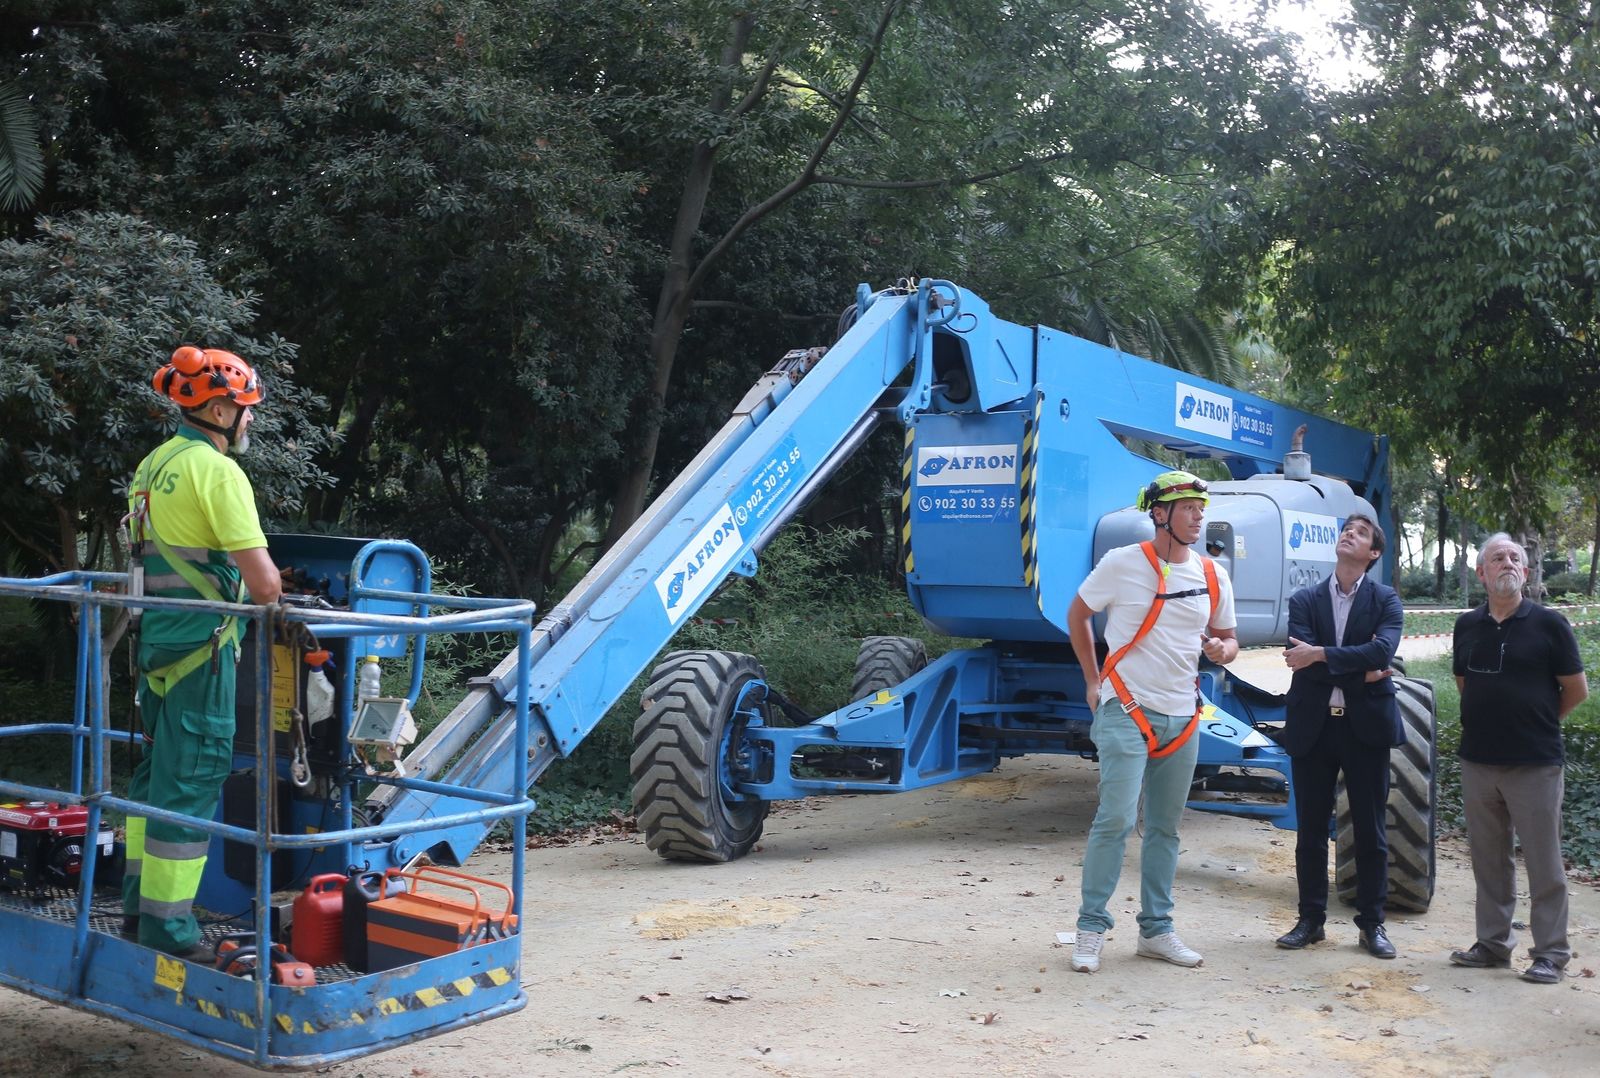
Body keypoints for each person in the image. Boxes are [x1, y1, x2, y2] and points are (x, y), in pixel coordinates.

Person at [122, 345, 282, 960]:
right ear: (218, 408)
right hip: (203, 652)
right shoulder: (217, 473)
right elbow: (265, 586)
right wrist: (274, 593)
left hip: (157, 648)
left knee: (155, 779)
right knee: (190, 785)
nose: (249, 421)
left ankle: (139, 912)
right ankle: (170, 929)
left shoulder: (152, 464)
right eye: (245, 409)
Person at [1066, 469, 1238, 972]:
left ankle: (1157, 931)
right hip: (1126, 707)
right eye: (1188, 508)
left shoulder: (1212, 574)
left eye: (1200, 509)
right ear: (1159, 513)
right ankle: (1090, 928)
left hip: (1184, 716)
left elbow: (1229, 640)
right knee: (1115, 819)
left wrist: (1220, 649)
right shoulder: (1122, 564)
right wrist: (1092, 681)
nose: (1198, 517)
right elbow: (1077, 615)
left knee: (1165, 828)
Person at [1449, 533, 1588, 985]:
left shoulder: (1551, 624)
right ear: (1482, 573)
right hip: (1479, 762)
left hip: (1535, 763)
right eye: (1497, 557)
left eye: (1515, 558)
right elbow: (1464, 684)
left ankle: (1550, 953)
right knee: (1489, 861)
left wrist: (1537, 722)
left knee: (1544, 864)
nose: (1507, 562)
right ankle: (1492, 944)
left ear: (1525, 573)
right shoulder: (1466, 625)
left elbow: (1576, 690)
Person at [1275, 513, 1404, 958]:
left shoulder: (1386, 600)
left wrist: (1321, 656)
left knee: (1370, 831)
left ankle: (1372, 925)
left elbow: (1383, 651)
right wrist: (1360, 671)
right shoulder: (1304, 599)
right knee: (1310, 830)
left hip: (1364, 727)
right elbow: (1299, 659)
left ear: (1373, 553)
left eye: (1362, 532)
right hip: (1313, 725)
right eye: (1347, 529)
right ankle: (1310, 921)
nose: (1350, 533)